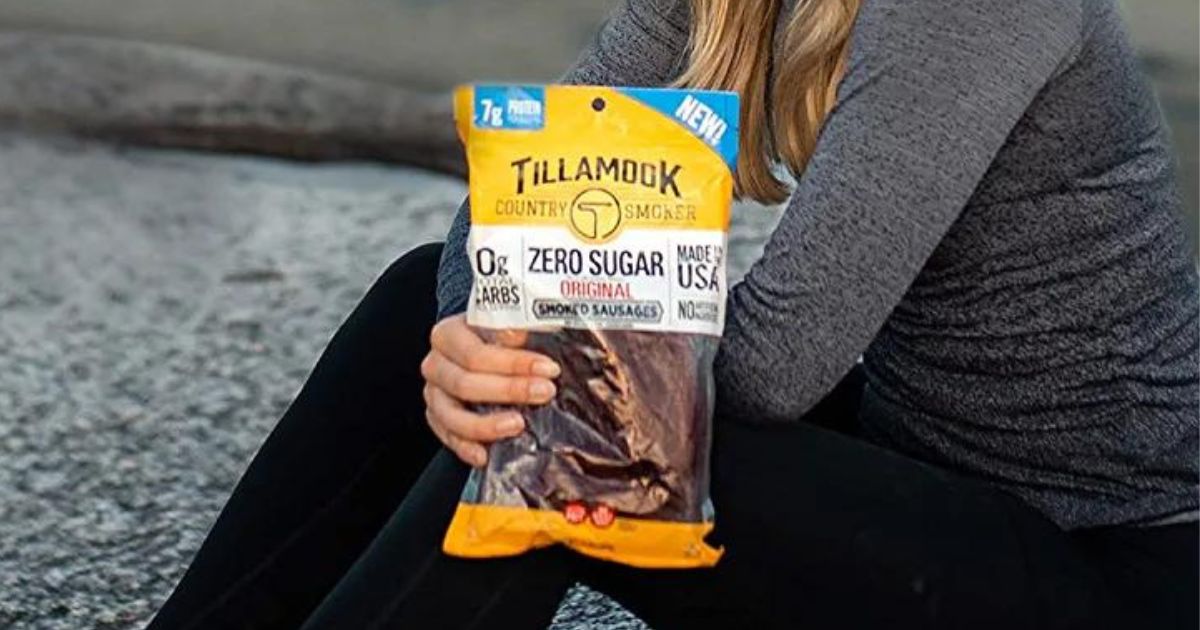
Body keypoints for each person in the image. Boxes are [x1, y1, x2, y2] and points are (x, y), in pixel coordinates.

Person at [148, 0, 1199, 627]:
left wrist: (527, 371)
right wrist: (474, 342)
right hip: (921, 468)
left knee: (571, 430)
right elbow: (522, 187)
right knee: (419, 309)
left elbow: (776, 364)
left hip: (1107, 568)